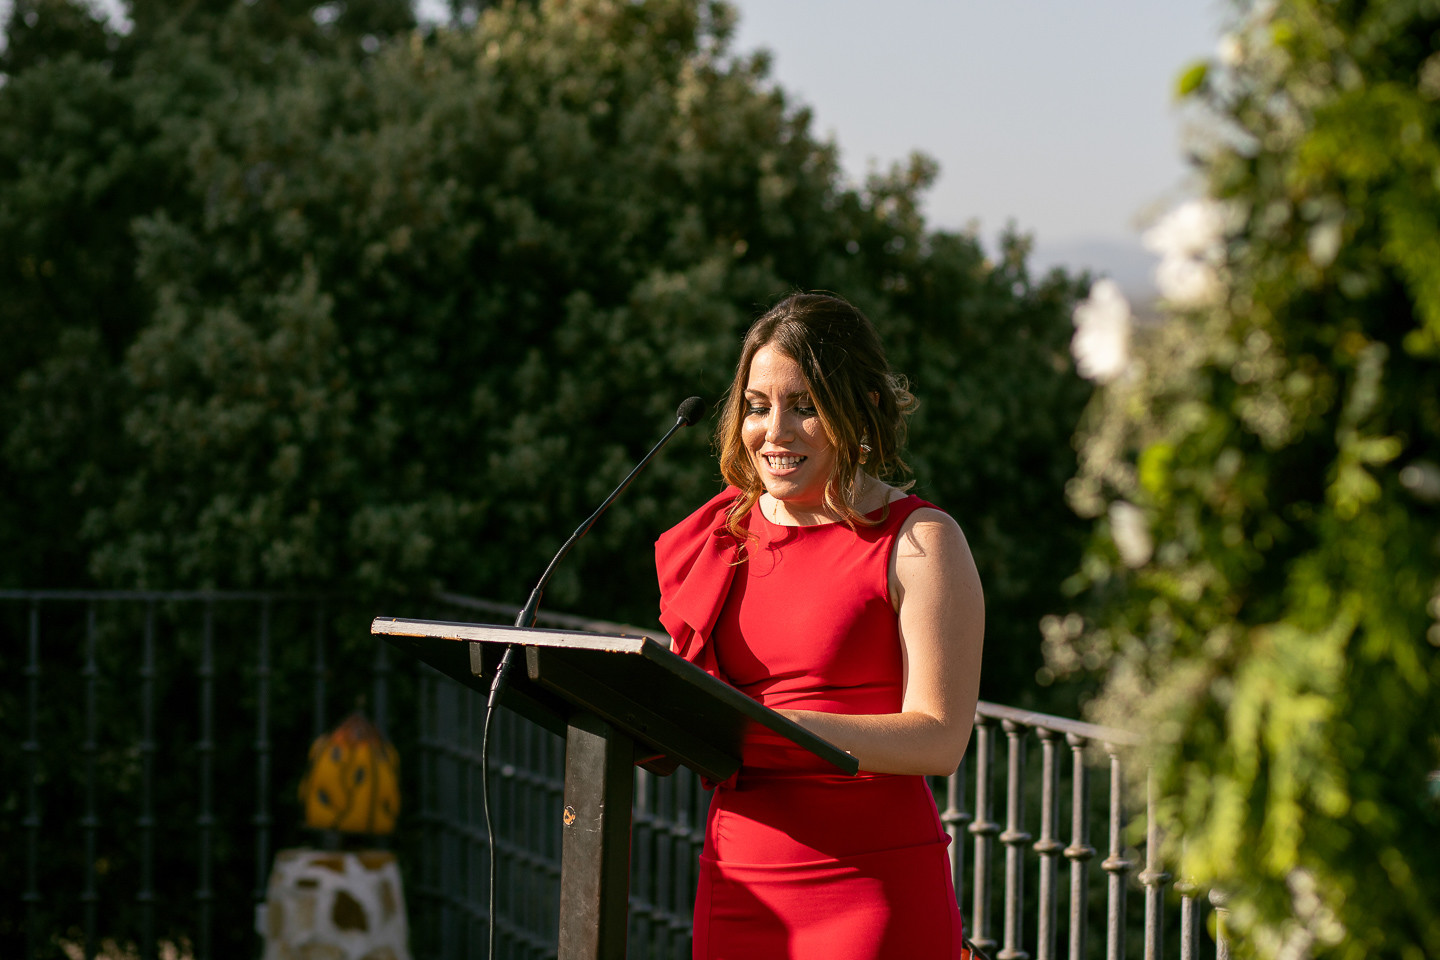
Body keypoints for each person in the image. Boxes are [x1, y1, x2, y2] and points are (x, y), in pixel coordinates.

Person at [655, 292, 986, 960]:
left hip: (871, 890)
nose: (775, 431)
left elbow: (940, 738)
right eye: (757, 405)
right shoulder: (720, 537)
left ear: (859, 408)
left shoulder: (920, 540)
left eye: (805, 406)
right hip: (739, 884)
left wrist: (772, 725)